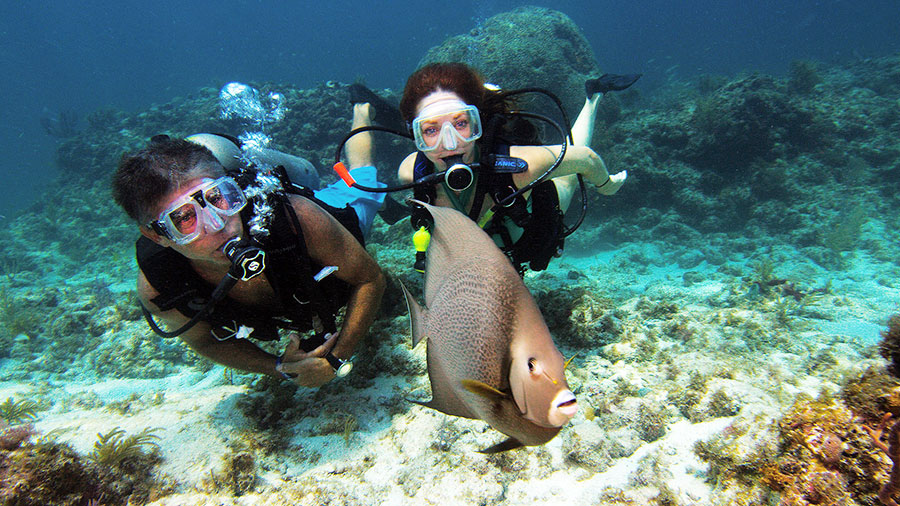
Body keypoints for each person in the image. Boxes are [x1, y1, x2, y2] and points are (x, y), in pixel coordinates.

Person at [112, 101, 386, 388]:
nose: (217, 224)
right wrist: (279, 367)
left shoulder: (298, 218)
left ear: (235, 189)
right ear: (157, 235)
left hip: (325, 212)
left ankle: (361, 112)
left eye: (217, 197)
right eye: (183, 218)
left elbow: (371, 278)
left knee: (362, 178)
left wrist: (337, 357)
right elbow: (204, 340)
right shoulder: (160, 287)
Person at [397, 62, 635, 272]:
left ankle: (593, 96)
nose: (450, 144)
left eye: (460, 123)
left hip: (531, 217)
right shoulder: (413, 174)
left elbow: (585, 158)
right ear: (415, 135)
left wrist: (607, 186)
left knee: (568, 179)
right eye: (430, 130)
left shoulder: (519, 168)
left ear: (476, 123)